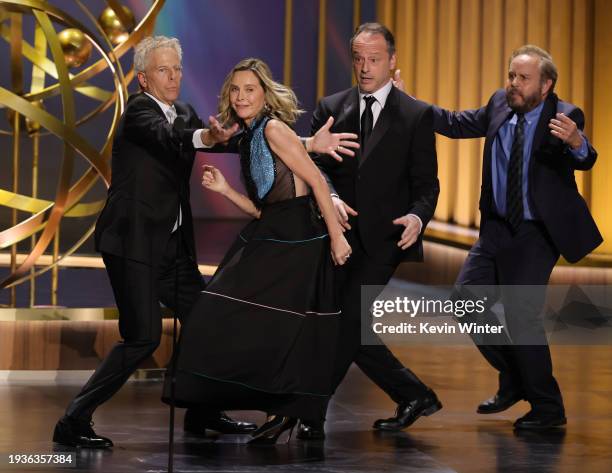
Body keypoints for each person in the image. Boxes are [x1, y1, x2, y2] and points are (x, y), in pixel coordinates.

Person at [52, 36, 356, 448]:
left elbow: (246, 138)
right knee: (142, 337)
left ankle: (204, 412)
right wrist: (207, 140)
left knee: (207, 318)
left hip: (171, 247)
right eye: (164, 70)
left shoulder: (184, 112)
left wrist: (306, 144)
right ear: (143, 78)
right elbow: (177, 136)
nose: (174, 76)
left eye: (177, 68)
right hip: (133, 243)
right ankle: (73, 419)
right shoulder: (138, 113)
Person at [163, 57, 352, 444]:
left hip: (297, 238)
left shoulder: (274, 129)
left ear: (264, 94)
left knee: (279, 328)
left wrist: (337, 237)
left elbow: (316, 179)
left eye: (249, 89)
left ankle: (282, 412)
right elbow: (263, 207)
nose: (241, 96)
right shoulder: (247, 136)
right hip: (269, 230)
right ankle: (266, 411)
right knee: (242, 320)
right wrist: (225, 192)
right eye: (235, 89)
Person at [430, 44, 602, 430]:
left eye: (523, 78)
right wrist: (403, 103)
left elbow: (586, 157)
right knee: (465, 300)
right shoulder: (498, 104)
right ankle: (513, 378)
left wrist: (576, 142)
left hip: (536, 231)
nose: (514, 84)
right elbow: (456, 123)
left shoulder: (565, 115)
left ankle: (548, 408)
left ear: (546, 84)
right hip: (496, 227)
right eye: (511, 76)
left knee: (522, 315)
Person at [299, 22, 442, 440]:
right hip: (337, 233)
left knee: (347, 320)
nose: (364, 67)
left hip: (386, 238)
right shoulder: (331, 106)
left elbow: (427, 184)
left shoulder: (415, 114)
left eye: (374, 59)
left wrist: (417, 217)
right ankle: (414, 394)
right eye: (358, 58)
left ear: (392, 61)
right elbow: (316, 168)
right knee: (348, 322)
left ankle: (309, 410)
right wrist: (330, 196)